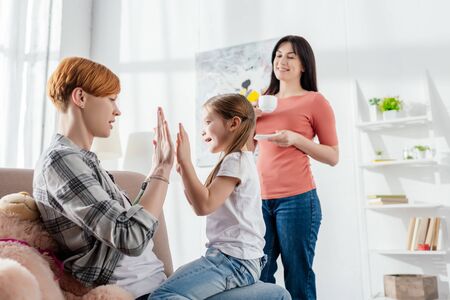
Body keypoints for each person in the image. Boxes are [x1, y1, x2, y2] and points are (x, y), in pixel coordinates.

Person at [33, 57, 290, 300]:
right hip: (145, 294)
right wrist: (163, 171)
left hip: (161, 284)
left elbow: (134, 222)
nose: (117, 110)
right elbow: (129, 235)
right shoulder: (61, 160)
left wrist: (161, 166)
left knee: (278, 295)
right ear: (80, 97)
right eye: (111, 99)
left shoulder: (86, 161)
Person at [150, 94, 290, 300]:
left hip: (232, 261)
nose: (202, 130)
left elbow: (204, 205)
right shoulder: (240, 159)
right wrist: (181, 168)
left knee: (162, 296)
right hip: (243, 261)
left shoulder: (235, 160)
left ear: (233, 123)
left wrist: (186, 161)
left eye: (208, 122)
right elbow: (199, 204)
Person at [254, 35, 339, 300]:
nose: (282, 61)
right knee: (259, 277)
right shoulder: (261, 100)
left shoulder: (315, 101)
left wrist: (296, 139)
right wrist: (248, 121)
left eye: (291, 56)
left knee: (298, 277)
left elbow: (333, 156)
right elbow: (246, 149)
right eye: (279, 55)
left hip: (298, 200)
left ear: (304, 65)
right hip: (259, 200)